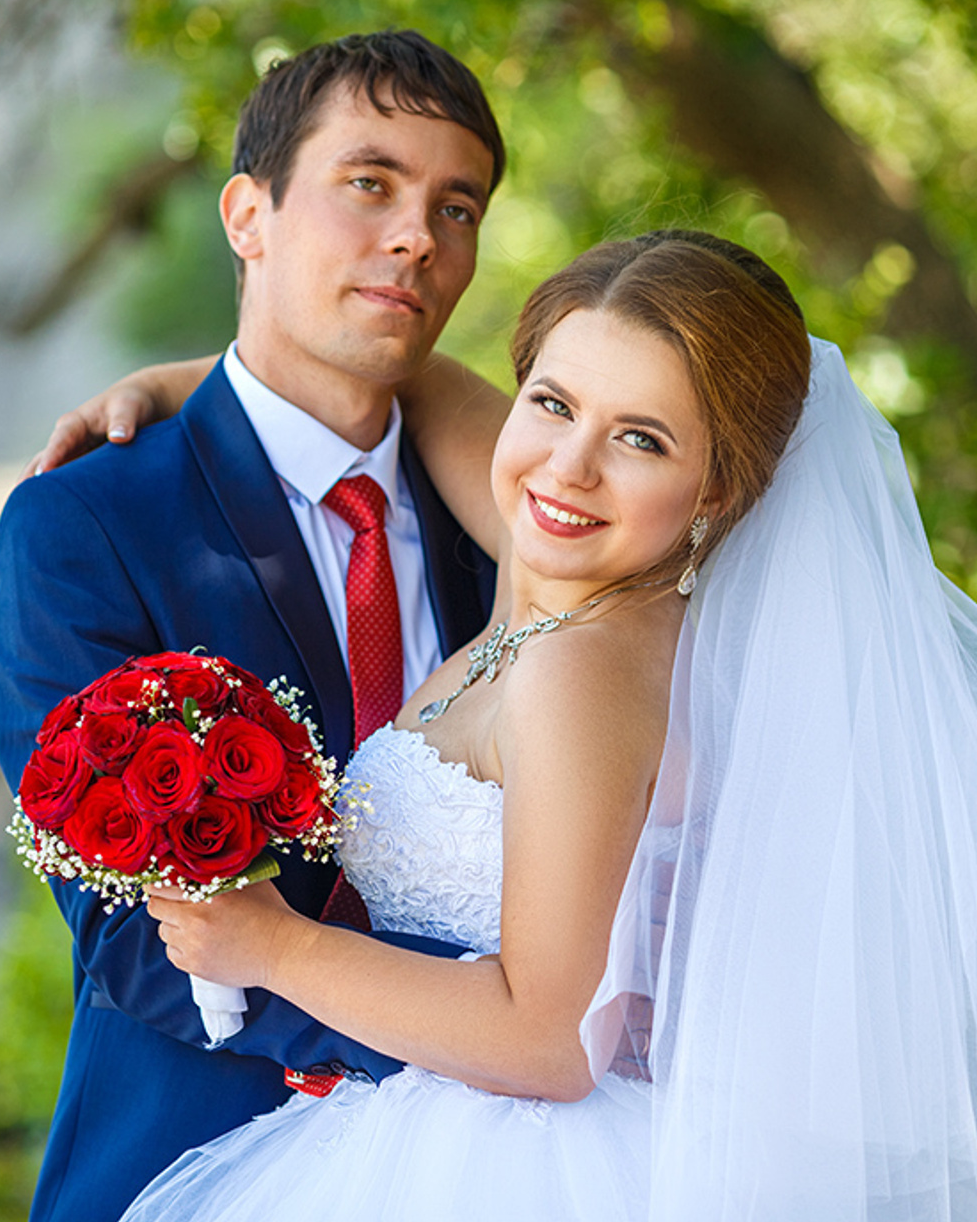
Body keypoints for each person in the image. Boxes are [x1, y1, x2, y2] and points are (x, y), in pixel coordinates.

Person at [50, 230, 977, 1219]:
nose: (568, 466)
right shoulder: (556, 588)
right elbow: (421, 380)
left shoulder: (582, 663)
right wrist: (191, 386)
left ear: (717, 489)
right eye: (552, 401)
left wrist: (271, 947)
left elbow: (551, 1036)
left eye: (641, 438)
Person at [0, 30, 509, 1222]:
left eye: (455, 206)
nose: (417, 234)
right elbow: (134, 938)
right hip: (199, 1162)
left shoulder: (521, 528)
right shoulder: (87, 523)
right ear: (245, 213)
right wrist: (502, 1024)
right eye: (368, 183)